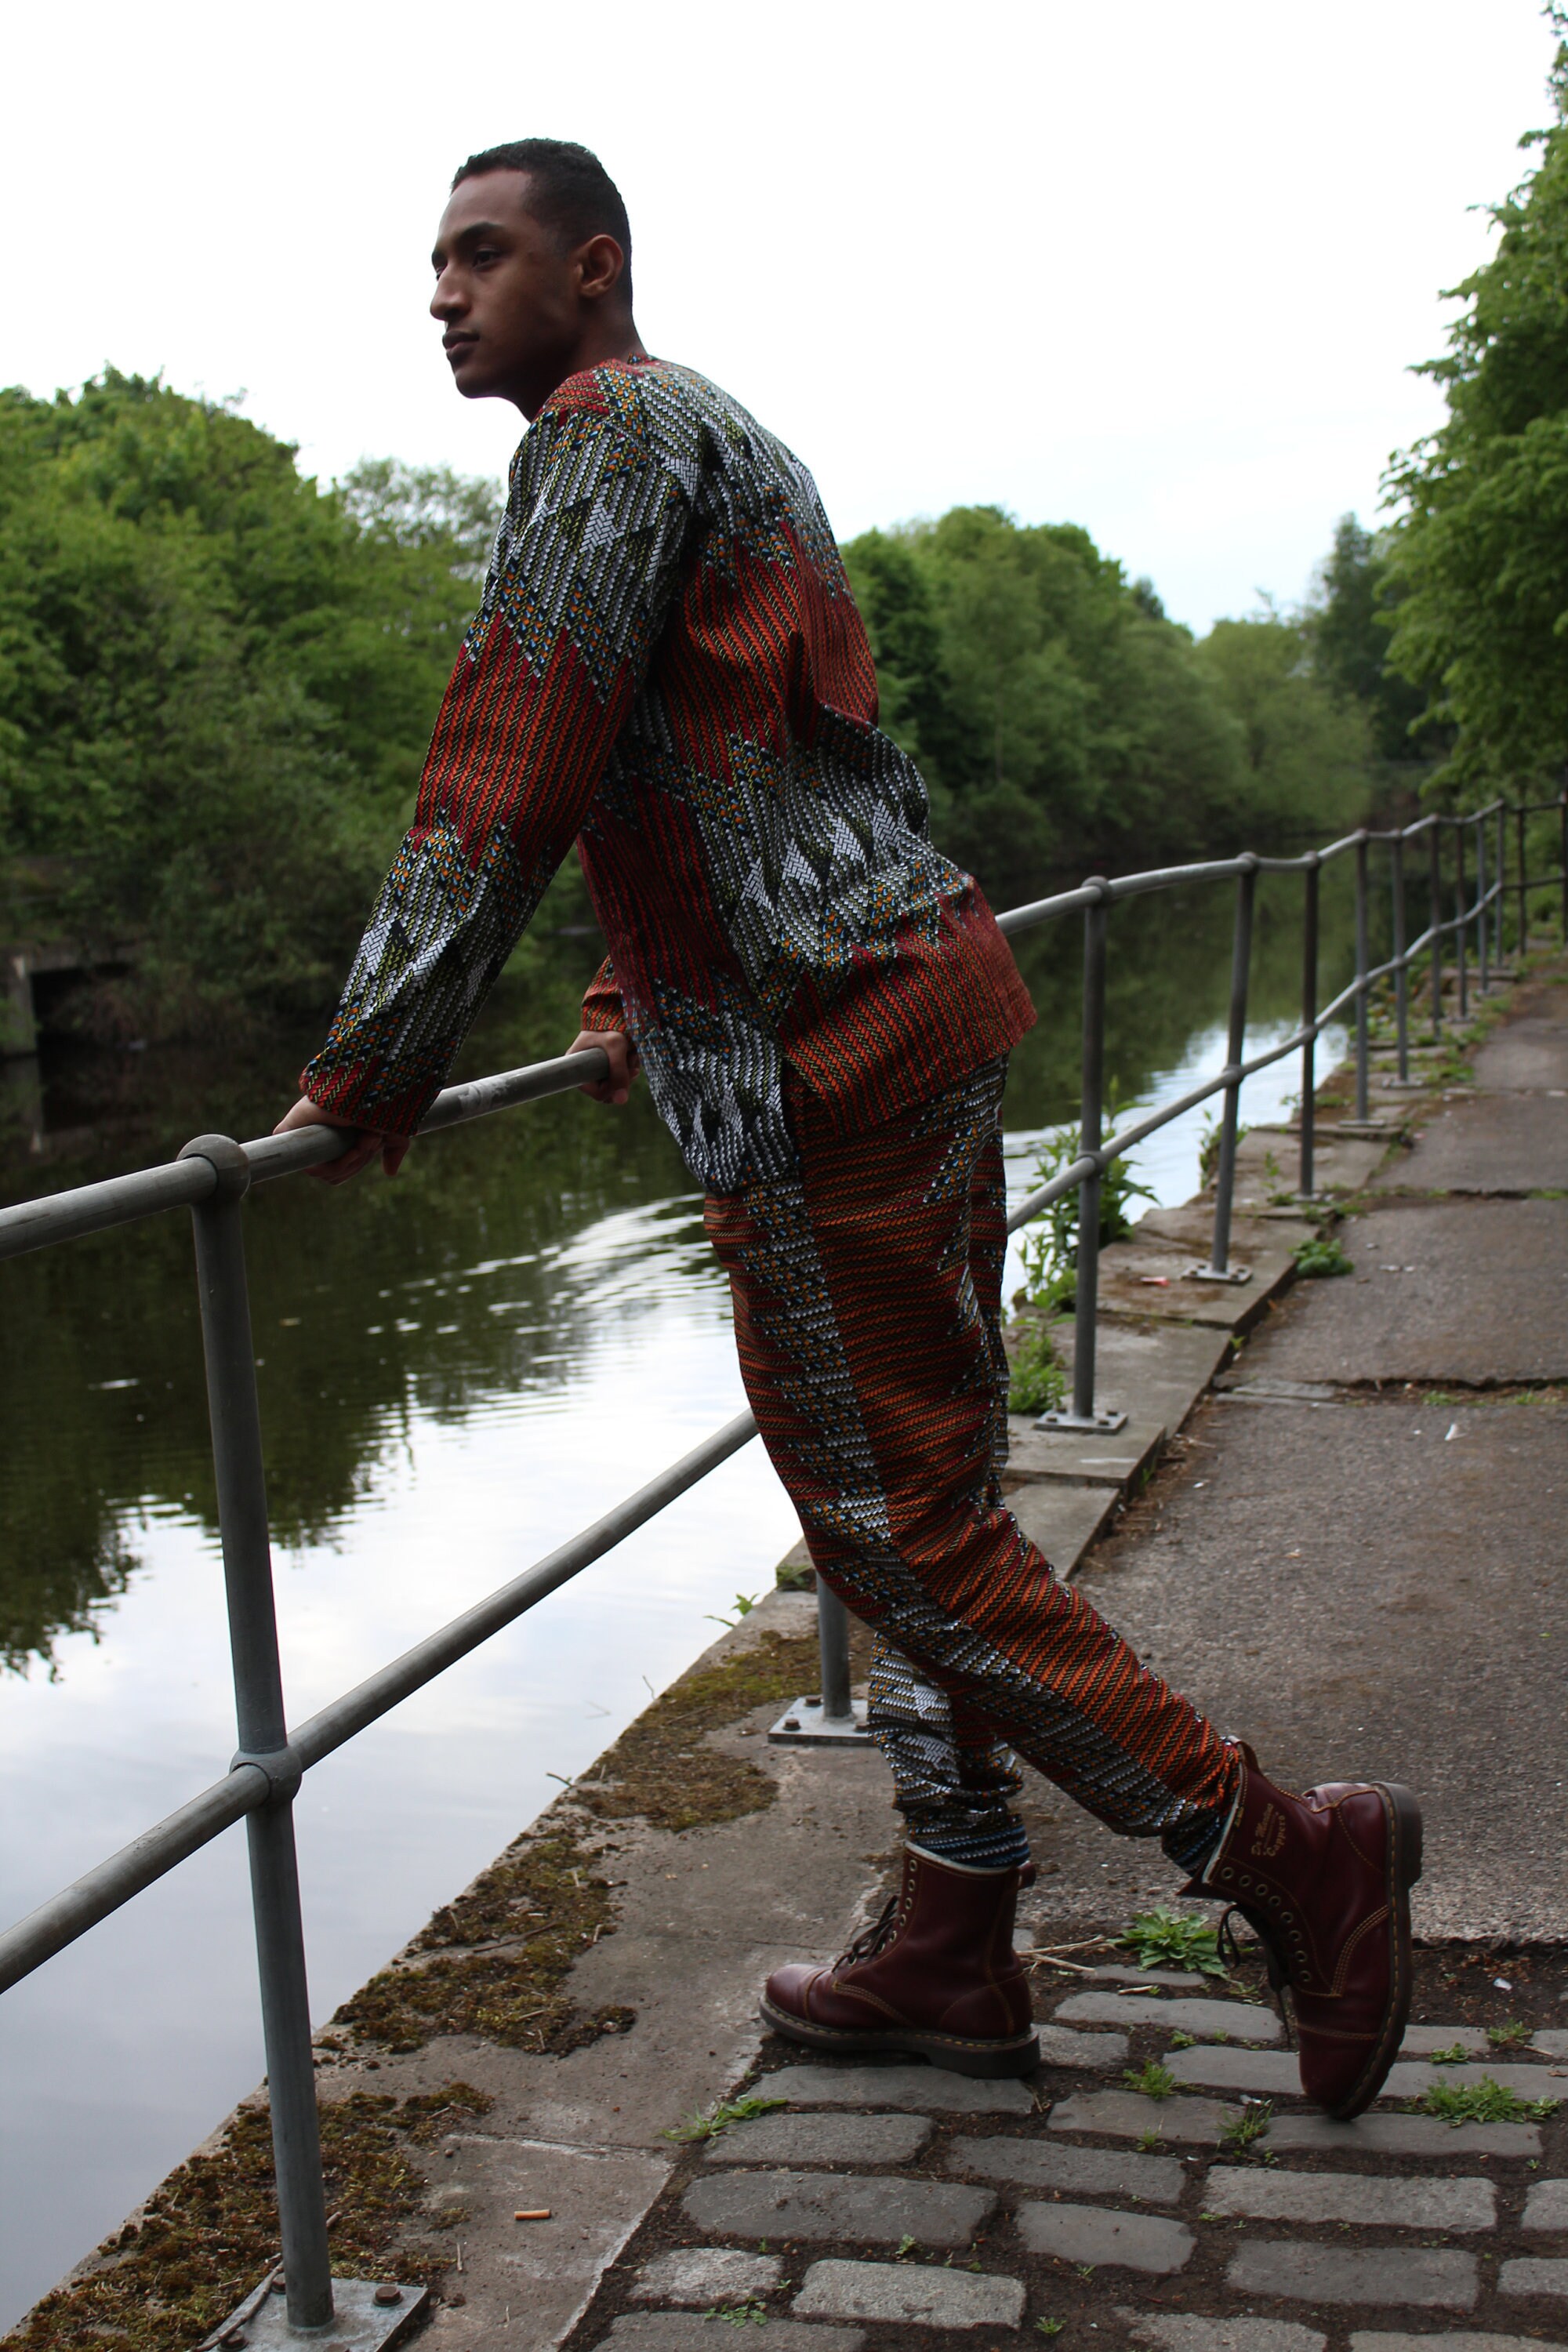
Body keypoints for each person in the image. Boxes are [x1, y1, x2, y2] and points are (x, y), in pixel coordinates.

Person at [276, 138, 1421, 2114]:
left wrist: (368, 1063)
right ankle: (955, 1940)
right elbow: (748, 753)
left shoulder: (601, 436)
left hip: (822, 1062)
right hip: (906, 1006)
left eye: (482, 253)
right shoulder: (715, 431)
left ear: (591, 266)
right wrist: (626, 988)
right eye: (435, 261)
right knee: (909, 1514)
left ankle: (1285, 1855)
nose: (442, 293)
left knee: (901, 1533)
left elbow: (513, 749)